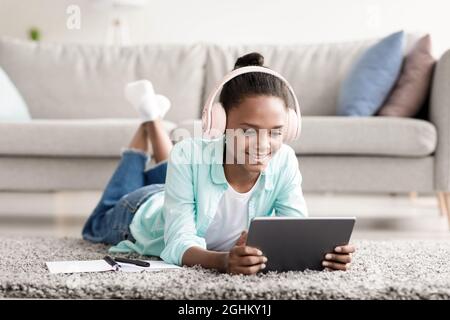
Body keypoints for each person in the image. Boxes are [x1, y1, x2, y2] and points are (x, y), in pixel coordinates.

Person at [82, 52, 355, 275]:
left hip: (180, 196)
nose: (262, 144)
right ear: (220, 124)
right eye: (248, 131)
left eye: (275, 131)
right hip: (141, 210)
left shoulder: (284, 160)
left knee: (180, 170)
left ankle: (152, 116)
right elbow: (177, 241)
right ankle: (148, 122)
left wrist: (322, 255)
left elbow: (294, 229)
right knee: (95, 225)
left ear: (290, 127)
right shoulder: (189, 154)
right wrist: (224, 261)